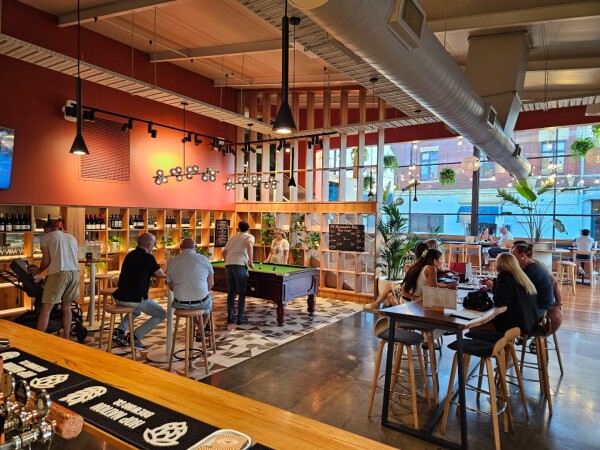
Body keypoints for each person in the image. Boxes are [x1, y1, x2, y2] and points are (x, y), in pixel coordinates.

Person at [112, 232, 166, 350]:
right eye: (153, 245)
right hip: (135, 299)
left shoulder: (130, 254)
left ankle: (119, 331)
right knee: (162, 314)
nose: (153, 247)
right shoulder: (148, 257)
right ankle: (135, 336)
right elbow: (160, 274)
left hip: (119, 296)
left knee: (136, 311)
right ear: (149, 245)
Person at [27, 220, 79, 339]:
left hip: (59, 274)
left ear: (47, 230)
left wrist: (39, 271)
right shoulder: (71, 237)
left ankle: (39, 340)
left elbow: (46, 260)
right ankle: (66, 338)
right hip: (75, 273)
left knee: (46, 308)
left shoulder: (46, 237)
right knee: (67, 307)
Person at [167, 238, 214, 337]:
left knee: (190, 307)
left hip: (180, 304)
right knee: (207, 304)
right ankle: (201, 328)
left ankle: (200, 326)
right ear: (195, 247)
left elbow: (171, 287)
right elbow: (211, 284)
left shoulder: (172, 262)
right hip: (200, 302)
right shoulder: (204, 259)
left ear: (180, 247)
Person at [365, 242, 429, 310]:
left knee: (389, 290)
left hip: (412, 293)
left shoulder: (423, 267)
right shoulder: (420, 265)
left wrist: (407, 273)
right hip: (411, 290)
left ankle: (377, 304)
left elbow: (410, 282)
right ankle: (379, 305)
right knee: (389, 293)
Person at [490, 253, 542, 335]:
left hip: (517, 324)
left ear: (499, 263)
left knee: (478, 325)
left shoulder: (504, 275)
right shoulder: (521, 275)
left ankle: (497, 343)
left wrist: (493, 286)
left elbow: (500, 302)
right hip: (531, 321)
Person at [222, 220, 254, 325]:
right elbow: (249, 246)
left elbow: (224, 252)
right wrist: (251, 262)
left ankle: (230, 317)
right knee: (241, 292)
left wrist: (227, 261)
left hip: (228, 265)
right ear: (248, 228)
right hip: (240, 265)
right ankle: (240, 318)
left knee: (231, 291)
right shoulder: (249, 236)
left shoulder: (232, 238)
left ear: (238, 229)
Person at [510, 241, 554, 312]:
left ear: (522, 256)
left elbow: (517, 290)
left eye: (513, 255)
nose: (511, 258)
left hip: (540, 307)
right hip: (540, 304)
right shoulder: (532, 266)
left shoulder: (530, 270)